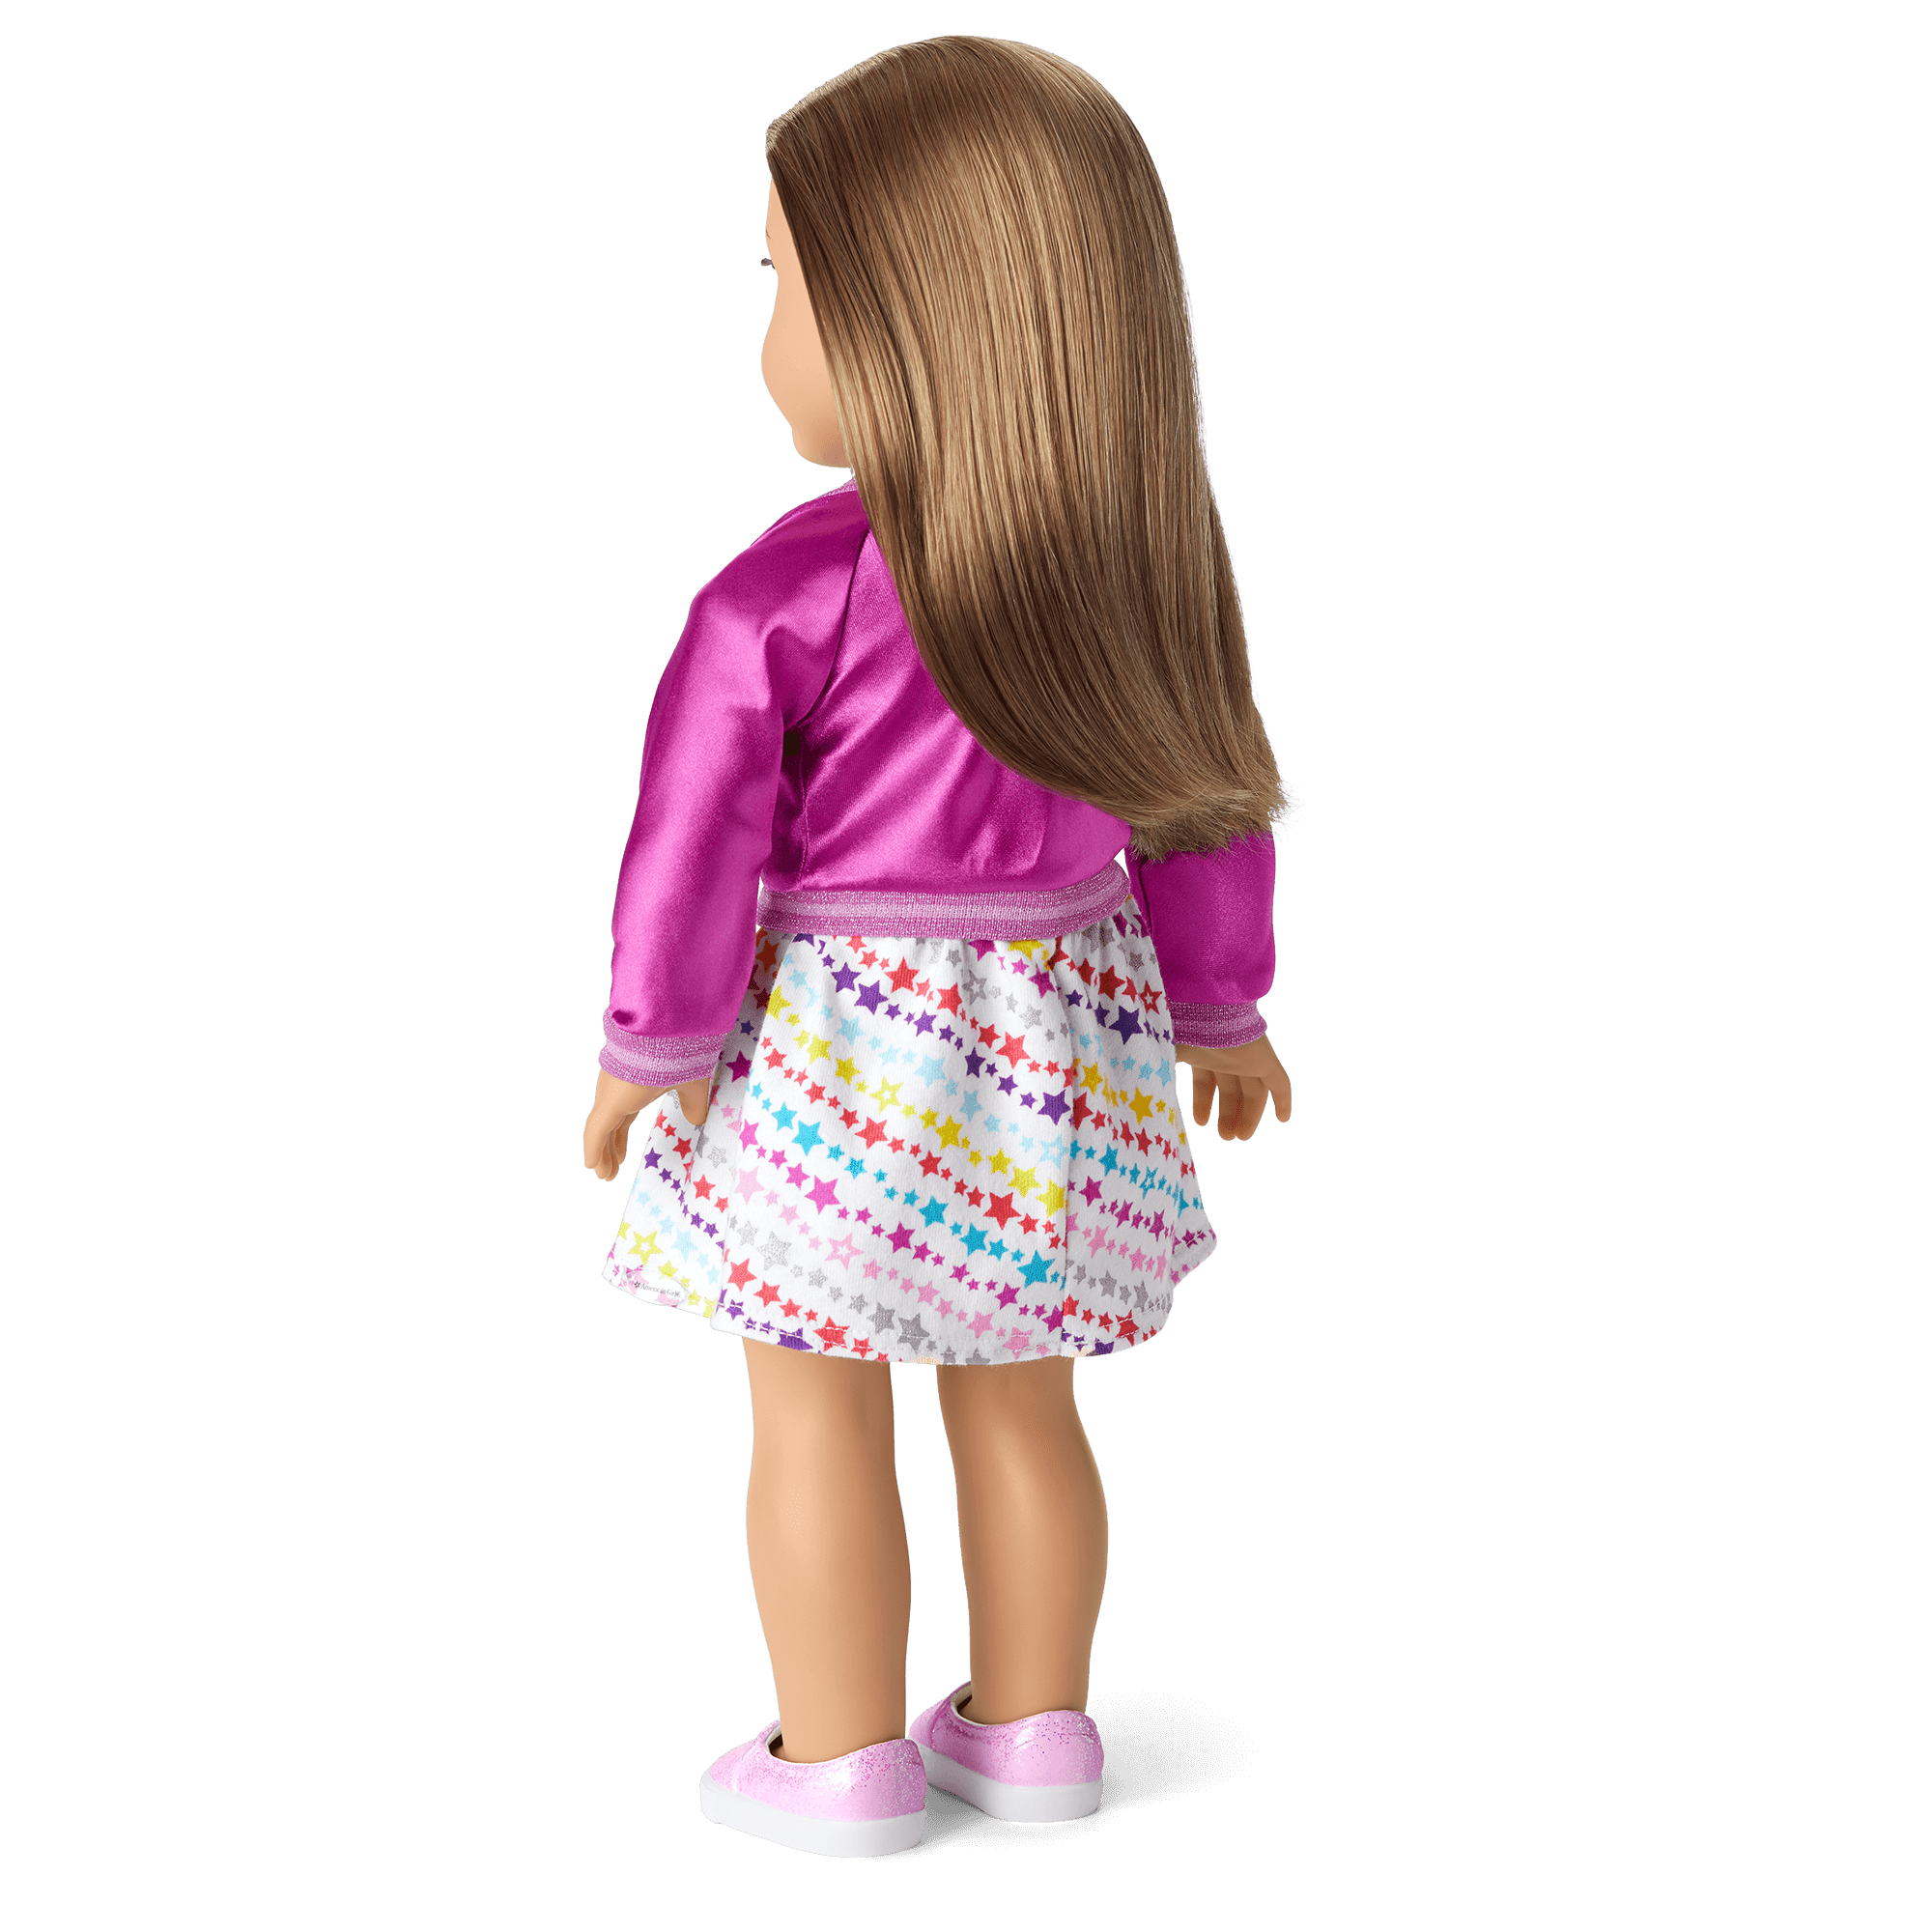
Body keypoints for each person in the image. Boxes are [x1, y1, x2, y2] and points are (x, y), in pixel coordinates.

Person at [581, 36, 1296, 1859]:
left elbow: (695, 840)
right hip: (1061, 1049)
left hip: (840, 1056)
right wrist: (1222, 1009)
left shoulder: (788, 589)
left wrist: (651, 1044)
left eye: (786, 285)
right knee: (1023, 1403)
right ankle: (1034, 1731)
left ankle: (837, 1761)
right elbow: (1208, 792)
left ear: (907, 320)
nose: (770, 333)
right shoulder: (1147, 570)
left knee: (814, 1410)